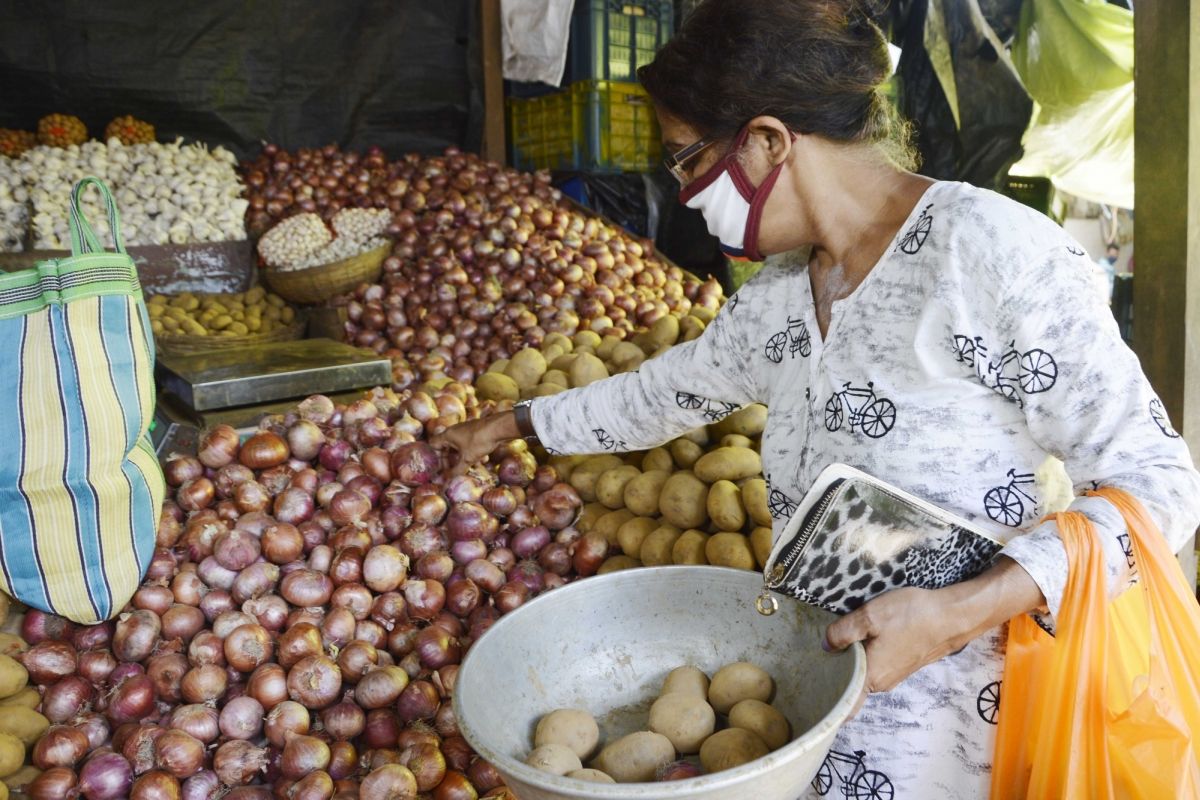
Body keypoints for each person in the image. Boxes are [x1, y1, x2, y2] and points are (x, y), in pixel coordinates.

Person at [435, 0, 1200, 795]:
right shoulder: (778, 295)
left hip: (968, 741)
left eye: (687, 161)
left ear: (768, 143)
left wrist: (959, 611)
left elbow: (1159, 486)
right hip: (815, 725)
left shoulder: (987, 253)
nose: (686, 194)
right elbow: (668, 392)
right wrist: (519, 421)